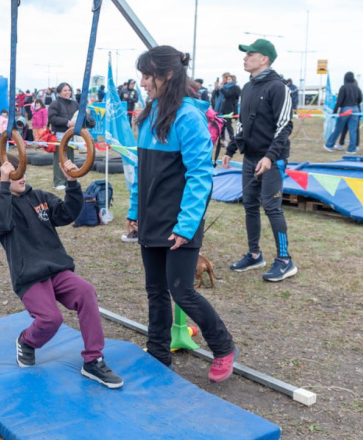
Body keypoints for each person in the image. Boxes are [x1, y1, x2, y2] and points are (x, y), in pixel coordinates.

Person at [128, 45, 237, 381]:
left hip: (179, 222)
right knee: (155, 289)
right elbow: (142, 168)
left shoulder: (188, 118)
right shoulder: (149, 115)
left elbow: (200, 176)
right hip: (151, 218)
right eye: (142, 75)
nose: (142, 82)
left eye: (148, 75)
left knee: (181, 290)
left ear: (168, 75)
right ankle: (158, 353)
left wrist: (186, 226)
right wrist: (135, 210)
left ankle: (223, 346)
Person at [0, 153, 123, 389]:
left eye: (21, 168)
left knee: (86, 292)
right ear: (0, 180)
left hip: (56, 269)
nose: (21, 174)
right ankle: (27, 341)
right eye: (13, 171)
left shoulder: (39, 196)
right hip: (29, 276)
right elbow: (3, 221)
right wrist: (6, 187)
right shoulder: (0, 205)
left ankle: (93, 360)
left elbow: (68, 213)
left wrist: (72, 182)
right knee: (51, 319)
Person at [222, 39, 297, 282]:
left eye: (250, 54)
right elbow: (242, 123)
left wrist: (270, 157)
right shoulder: (247, 87)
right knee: (250, 207)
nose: (245, 58)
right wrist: (231, 149)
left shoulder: (279, 87)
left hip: (272, 160)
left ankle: (285, 260)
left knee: (272, 207)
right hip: (250, 157)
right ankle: (255, 254)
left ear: (264, 59)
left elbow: (285, 126)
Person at [47, 82, 95, 190]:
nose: (67, 92)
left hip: (72, 137)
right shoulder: (55, 104)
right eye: (65, 90)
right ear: (59, 92)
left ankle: (70, 179)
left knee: (70, 158)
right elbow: (52, 118)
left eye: (69, 90)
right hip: (60, 135)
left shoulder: (74, 104)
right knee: (60, 159)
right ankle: (59, 181)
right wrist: (67, 122)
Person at [323, 72, 362, 154]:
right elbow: (360, 100)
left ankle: (329, 145)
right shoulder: (357, 88)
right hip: (355, 109)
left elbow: (339, 101)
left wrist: (334, 112)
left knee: (338, 128)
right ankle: (352, 149)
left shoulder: (343, 87)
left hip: (346, 109)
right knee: (353, 130)